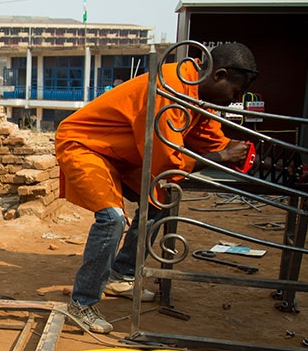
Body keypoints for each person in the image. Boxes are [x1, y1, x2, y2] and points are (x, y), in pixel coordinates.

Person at [55, 42, 258, 334]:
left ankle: (119, 274)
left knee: (156, 200)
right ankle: (81, 304)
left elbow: (209, 137)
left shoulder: (195, 91)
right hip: (86, 146)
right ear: (219, 75)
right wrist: (221, 157)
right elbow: (166, 159)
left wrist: (246, 154)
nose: (234, 99)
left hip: (123, 153)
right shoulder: (173, 87)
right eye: (235, 92)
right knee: (111, 219)